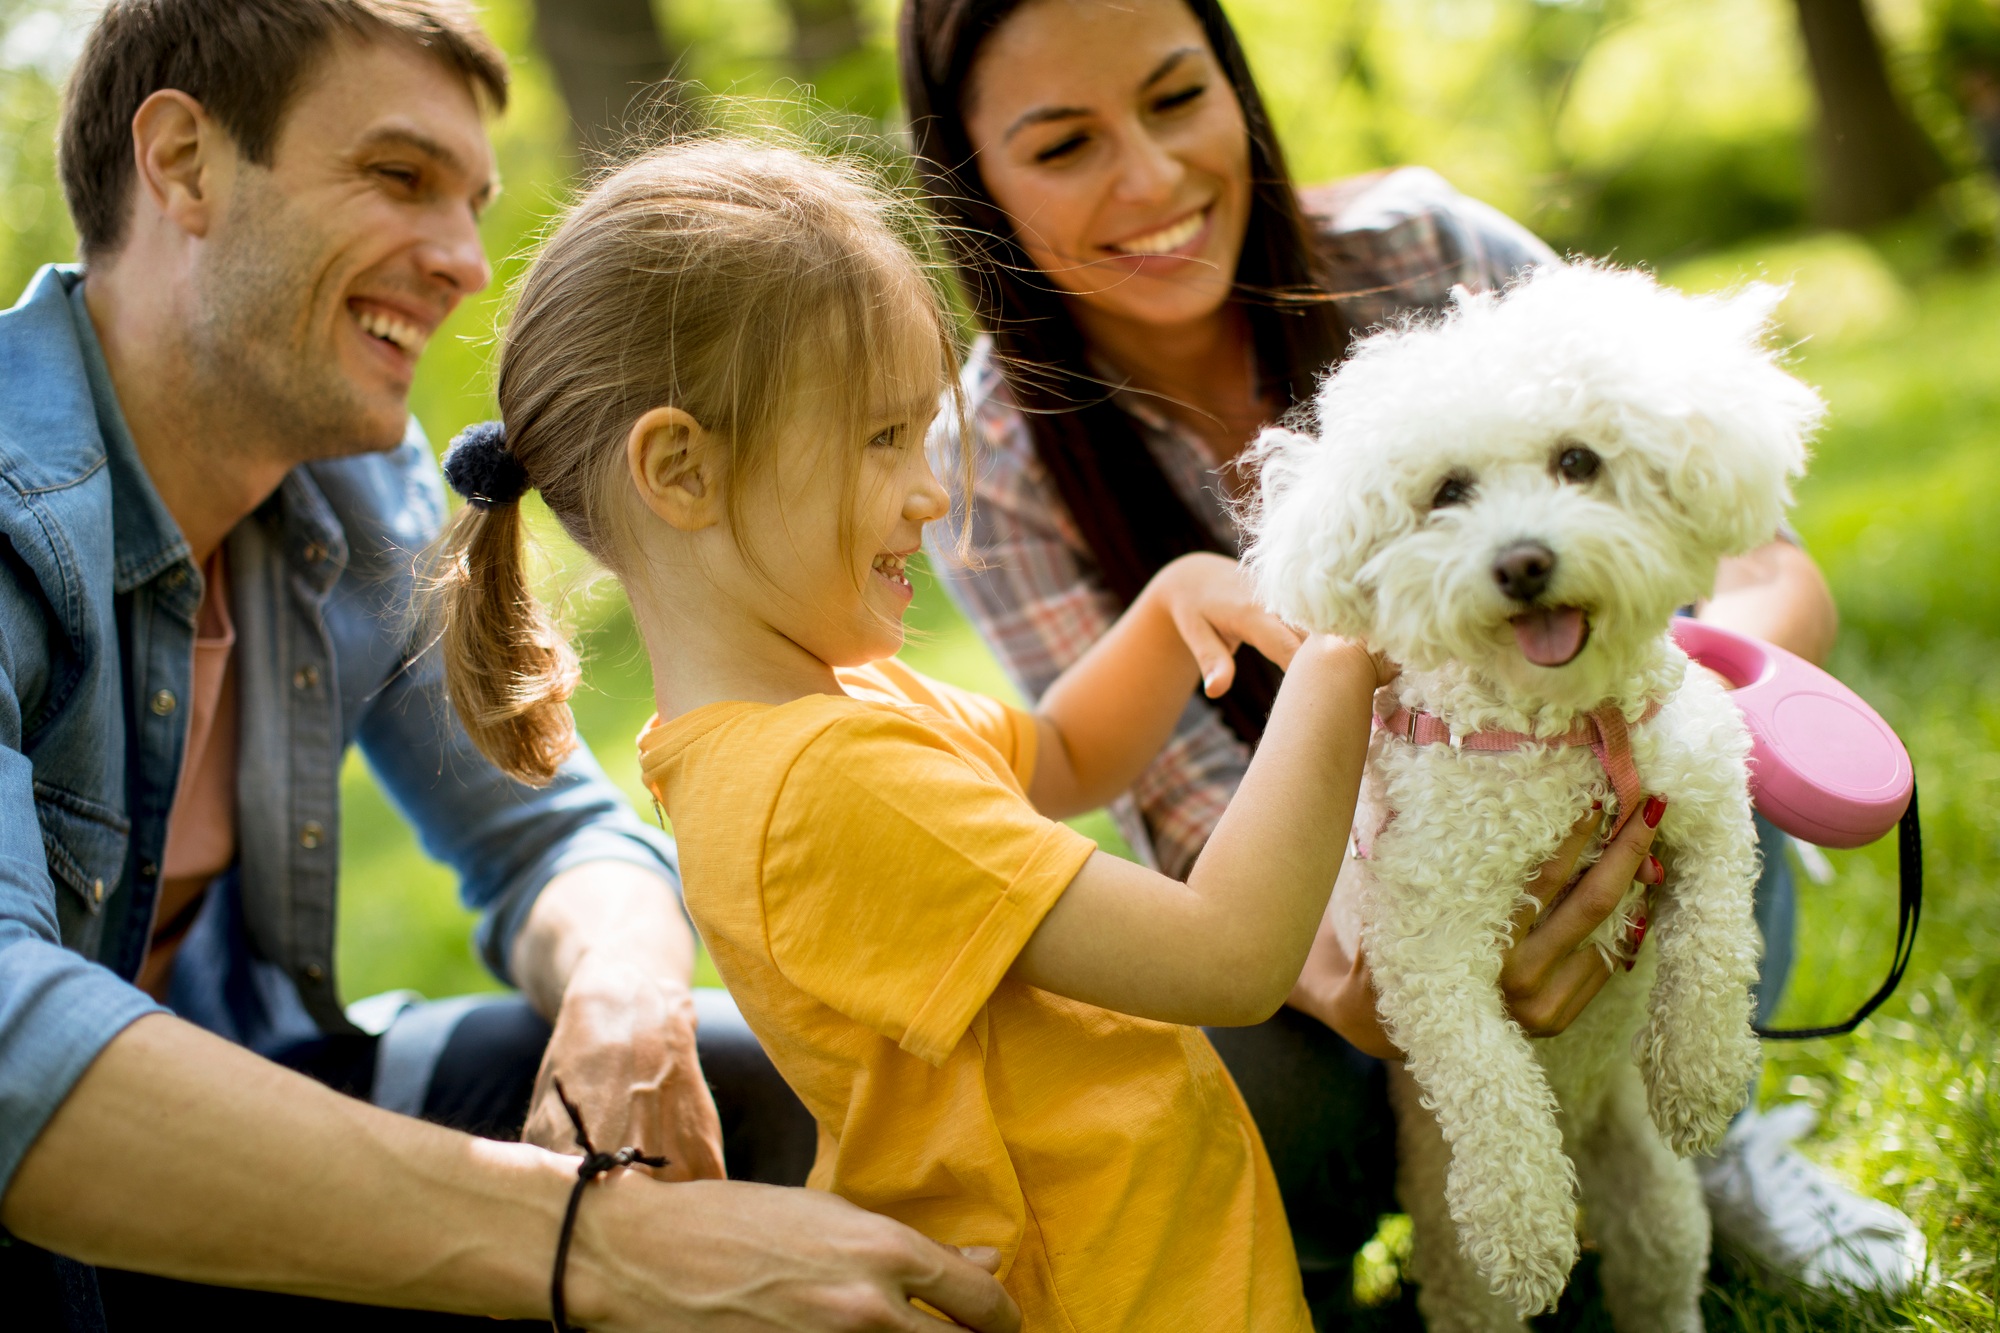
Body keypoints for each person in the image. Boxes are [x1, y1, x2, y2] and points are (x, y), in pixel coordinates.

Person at [425, 135, 1669, 1330]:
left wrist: (1172, 597)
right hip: (1107, 1288)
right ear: (681, 471)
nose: (929, 488)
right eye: (878, 440)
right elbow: (1228, 955)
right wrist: (1343, 656)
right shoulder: (824, 782)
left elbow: (1064, 759)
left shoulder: (811, 720)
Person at [0, 4, 1014, 1330]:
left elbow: (547, 835)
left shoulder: (345, 489)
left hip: (256, 1117)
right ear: (184, 161)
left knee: (787, 1086)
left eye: (474, 202)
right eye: (399, 177)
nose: (467, 260)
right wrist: (595, 1247)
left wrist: (626, 1000)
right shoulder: (22, 503)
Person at [898, 0, 1924, 1303]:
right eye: (1063, 145)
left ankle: (1703, 1144)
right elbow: (1187, 816)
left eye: (1173, 101)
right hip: (1330, 944)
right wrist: (1392, 985)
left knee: (1707, 739)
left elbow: (1764, 568)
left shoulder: (1425, 242)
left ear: (1236, 84)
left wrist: (1636, 713)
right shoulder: (996, 453)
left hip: (1629, 830)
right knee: (1220, 1084)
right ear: (974, 181)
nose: (1150, 180)